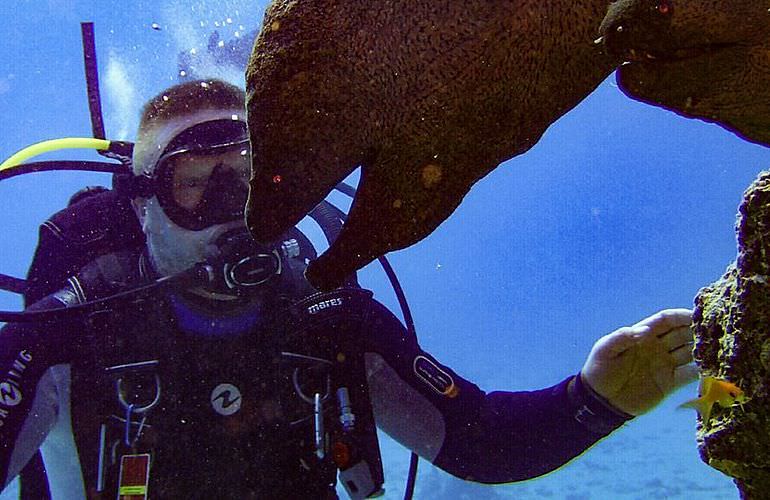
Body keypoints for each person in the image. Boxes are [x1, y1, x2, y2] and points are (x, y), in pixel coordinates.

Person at [0, 79, 697, 498]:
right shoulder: (67, 333)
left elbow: (482, 441)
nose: (231, 216)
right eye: (194, 186)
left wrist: (597, 400)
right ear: (144, 204)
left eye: (248, 182)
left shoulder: (330, 320)